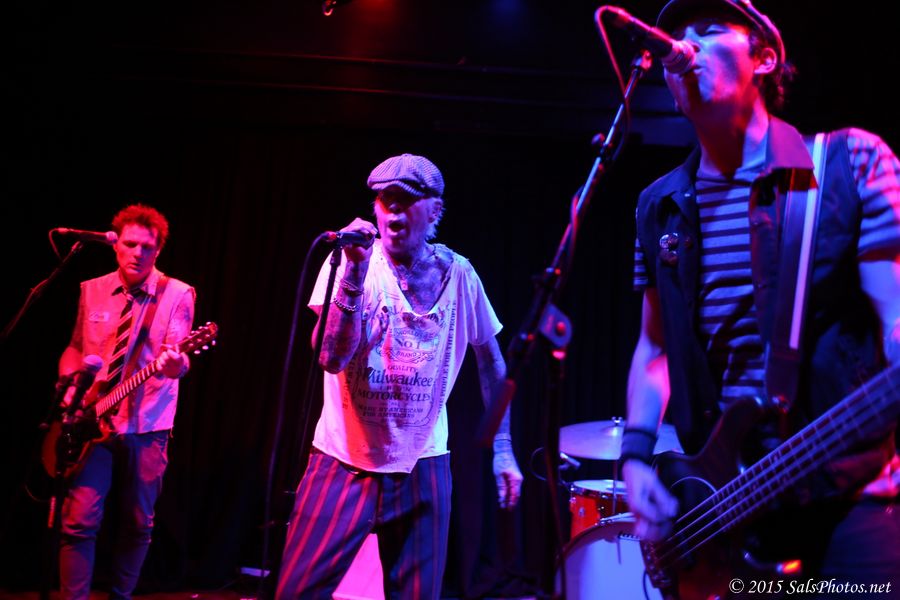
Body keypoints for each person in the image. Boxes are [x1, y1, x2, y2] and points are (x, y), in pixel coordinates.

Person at [622, 0, 900, 595]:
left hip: (847, 494)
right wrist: (636, 456)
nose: (683, 48)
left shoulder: (849, 162)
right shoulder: (658, 206)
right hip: (726, 508)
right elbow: (655, 348)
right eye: (674, 37)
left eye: (708, 30)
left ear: (765, 58)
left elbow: (894, 316)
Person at [276, 154, 523, 599]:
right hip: (342, 458)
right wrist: (353, 273)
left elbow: (492, 363)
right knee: (296, 591)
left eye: (406, 200)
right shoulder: (347, 264)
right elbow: (330, 357)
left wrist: (503, 449)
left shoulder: (460, 275)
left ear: (434, 210)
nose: (393, 210)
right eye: (384, 199)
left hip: (423, 463)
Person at [57, 204, 196, 599]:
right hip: (92, 420)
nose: (138, 253)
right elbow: (75, 347)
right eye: (131, 244)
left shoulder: (178, 294)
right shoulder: (92, 289)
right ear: (115, 244)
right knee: (77, 522)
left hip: (148, 423)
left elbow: (178, 359)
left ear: (158, 250)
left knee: (138, 524)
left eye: (147, 247)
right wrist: (69, 389)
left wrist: (175, 363)